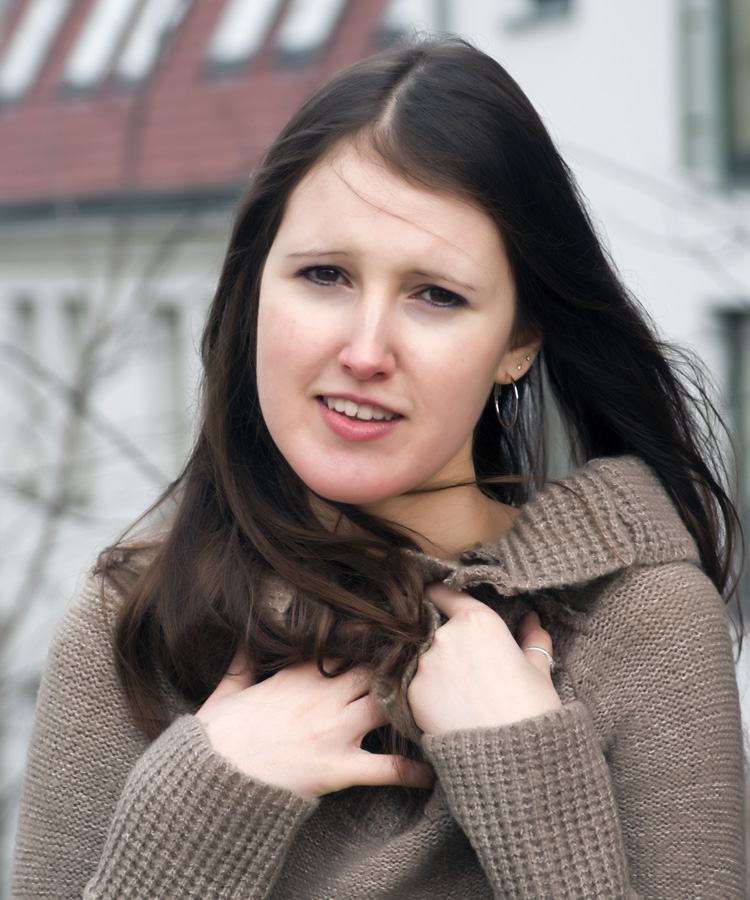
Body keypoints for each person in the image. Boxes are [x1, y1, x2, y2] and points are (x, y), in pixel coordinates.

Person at [11, 37, 746, 899]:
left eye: (437, 295)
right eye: (325, 275)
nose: (365, 352)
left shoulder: (642, 626)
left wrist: (532, 786)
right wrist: (198, 813)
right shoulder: (134, 623)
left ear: (517, 341)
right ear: (254, 292)